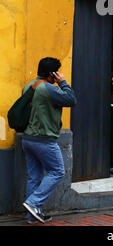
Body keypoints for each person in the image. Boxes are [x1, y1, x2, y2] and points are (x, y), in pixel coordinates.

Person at [21, 57, 77, 224]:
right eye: (58, 71)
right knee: (58, 171)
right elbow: (71, 100)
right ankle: (33, 202)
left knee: (34, 177)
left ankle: (32, 216)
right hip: (43, 139)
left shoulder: (29, 86)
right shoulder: (48, 89)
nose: (60, 74)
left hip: (27, 139)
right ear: (53, 73)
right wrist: (64, 83)